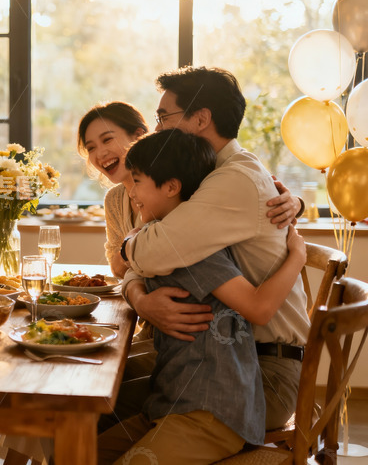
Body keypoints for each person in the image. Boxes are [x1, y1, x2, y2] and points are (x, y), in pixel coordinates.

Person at [98, 129, 306, 464]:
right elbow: (132, 263)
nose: (131, 192)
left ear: (171, 187)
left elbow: (259, 307)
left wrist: (298, 256)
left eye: (136, 181)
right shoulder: (158, 238)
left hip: (212, 411)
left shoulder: (191, 249)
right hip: (172, 401)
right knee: (80, 452)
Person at [120, 66, 311, 430]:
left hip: (261, 372)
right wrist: (140, 297)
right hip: (217, 352)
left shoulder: (233, 180)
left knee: (94, 400)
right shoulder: (210, 175)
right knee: (94, 381)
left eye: (163, 117)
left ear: (202, 118)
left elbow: (149, 252)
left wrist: (129, 248)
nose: (157, 128)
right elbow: (149, 256)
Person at [77, 102, 148, 278]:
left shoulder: (167, 187)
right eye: (91, 147)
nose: (100, 154)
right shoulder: (114, 199)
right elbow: (116, 269)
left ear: (138, 135)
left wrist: (125, 253)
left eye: (107, 139)